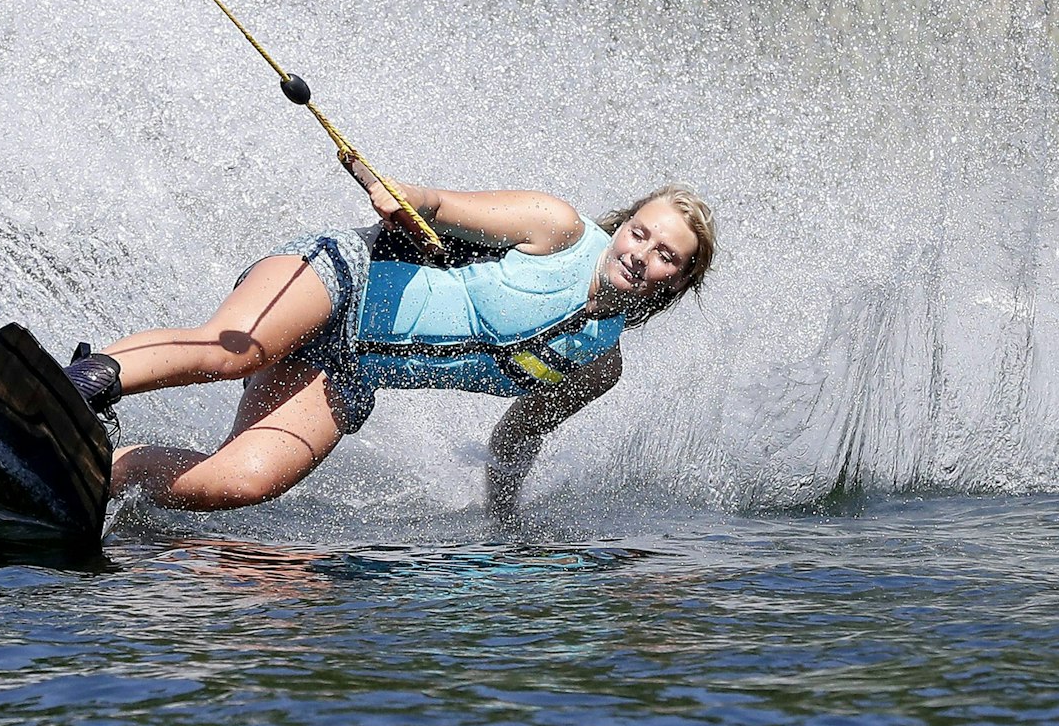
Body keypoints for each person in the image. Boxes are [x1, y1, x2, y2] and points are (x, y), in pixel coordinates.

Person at [63, 161, 716, 517]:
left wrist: (504, 522)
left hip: (346, 370)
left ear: (677, 282)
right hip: (340, 278)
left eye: (667, 255)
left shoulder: (597, 366)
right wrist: (402, 196)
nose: (642, 254)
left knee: (236, 485)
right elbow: (437, 201)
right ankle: (79, 385)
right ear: (624, 224)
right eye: (641, 232)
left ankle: (102, 471)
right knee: (235, 350)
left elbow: (518, 435)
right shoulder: (558, 230)